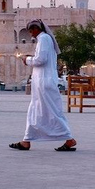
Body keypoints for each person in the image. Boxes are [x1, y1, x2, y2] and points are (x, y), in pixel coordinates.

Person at [10, 20, 77, 152]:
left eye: (30, 31)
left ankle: (69, 139)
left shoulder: (44, 38)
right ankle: (26, 140)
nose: (30, 34)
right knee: (36, 110)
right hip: (42, 81)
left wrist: (27, 59)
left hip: (44, 82)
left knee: (51, 111)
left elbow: (41, 60)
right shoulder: (44, 39)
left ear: (35, 29)